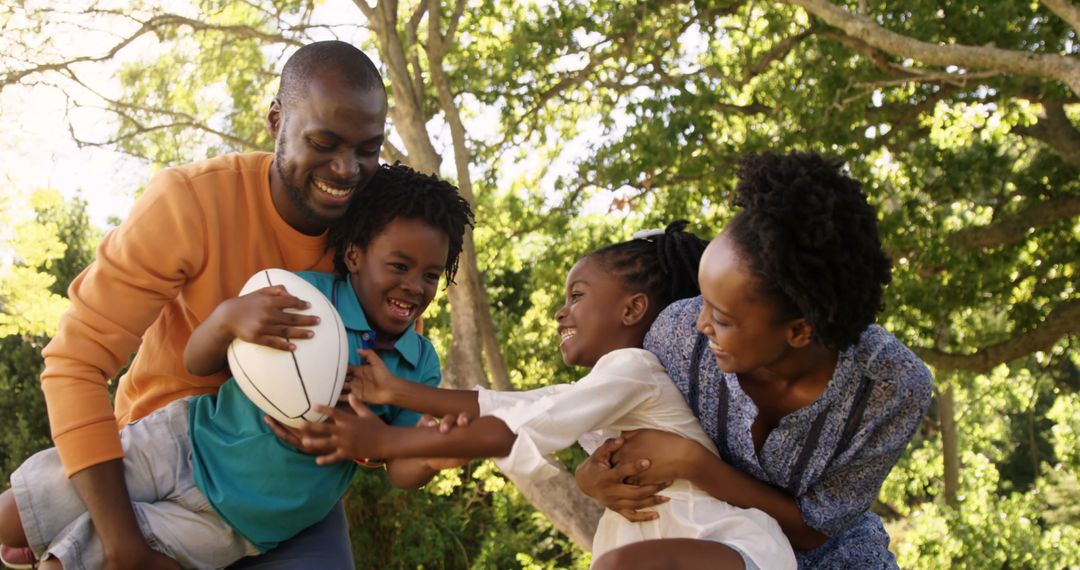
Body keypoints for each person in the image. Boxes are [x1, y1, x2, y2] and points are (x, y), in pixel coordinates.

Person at [1, 41, 391, 569]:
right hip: (163, 447)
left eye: (368, 149)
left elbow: (387, 383)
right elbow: (74, 363)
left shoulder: (374, 239)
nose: (347, 169)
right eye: (324, 142)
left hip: (280, 487)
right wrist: (124, 546)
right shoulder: (189, 203)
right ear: (277, 121)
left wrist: (353, 440)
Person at [0, 163, 475, 569]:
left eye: (431, 275)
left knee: (84, 561)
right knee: (19, 511)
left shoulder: (419, 366)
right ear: (354, 255)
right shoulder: (302, 294)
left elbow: (398, 470)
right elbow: (198, 360)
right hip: (184, 442)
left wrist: (430, 453)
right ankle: (23, 533)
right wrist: (226, 320)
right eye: (399, 266)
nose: (415, 285)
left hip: (237, 522)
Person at [296, 222, 797, 570]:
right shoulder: (608, 386)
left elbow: (523, 426)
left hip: (729, 548)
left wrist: (388, 442)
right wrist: (395, 389)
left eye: (577, 295)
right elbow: (507, 404)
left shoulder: (635, 371)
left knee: (621, 564)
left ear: (633, 309)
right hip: (674, 551)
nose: (560, 311)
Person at [573, 151, 935, 569]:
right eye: (701, 301)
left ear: (800, 330)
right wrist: (592, 479)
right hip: (715, 546)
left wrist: (696, 464)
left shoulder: (890, 386)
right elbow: (627, 437)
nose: (701, 323)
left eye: (722, 318)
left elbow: (815, 529)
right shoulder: (676, 335)